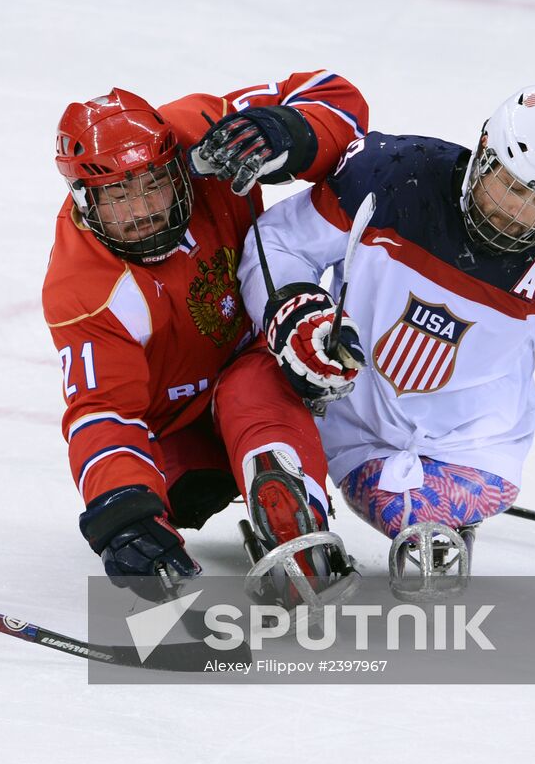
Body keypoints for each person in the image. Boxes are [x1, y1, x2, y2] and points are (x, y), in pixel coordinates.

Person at [242, 85, 535, 584]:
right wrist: (295, 310)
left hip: (475, 452)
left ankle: (432, 522)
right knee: (253, 383)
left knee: (412, 506)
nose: (518, 215)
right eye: (513, 187)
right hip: (347, 414)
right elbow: (278, 243)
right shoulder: (392, 175)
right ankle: (301, 510)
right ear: (484, 153)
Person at [42, 73, 370, 592]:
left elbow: (336, 96)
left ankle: (299, 515)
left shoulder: (199, 128)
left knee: (254, 387)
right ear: (83, 199)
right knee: (156, 501)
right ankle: (257, 474)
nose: (143, 212)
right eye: (117, 196)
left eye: (153, 184)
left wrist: (287, 130)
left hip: (265, 370)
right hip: (175, 435)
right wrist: (124, 516)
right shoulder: (83, 286)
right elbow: (104, 412)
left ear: (177, 164)